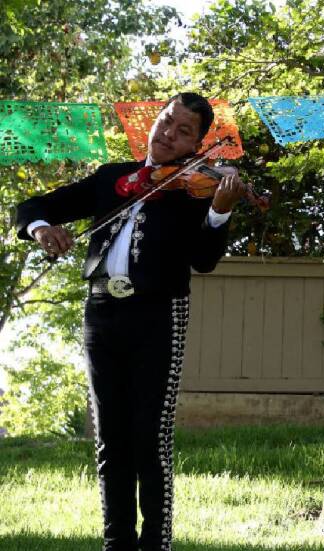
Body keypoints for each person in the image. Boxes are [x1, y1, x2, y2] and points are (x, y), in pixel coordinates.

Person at [15, 92, 245, 551]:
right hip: (101, 314)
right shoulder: (112, 178)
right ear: (153, 123)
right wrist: (42, 228)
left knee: (149, 439)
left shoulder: (196, 190)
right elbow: (33, 206)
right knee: (110, 440)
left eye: (184, 132)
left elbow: (203, 260)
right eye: (166, 122)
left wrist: (220, 210)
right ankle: (115, 543)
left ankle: (155, 543)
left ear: (198, 145)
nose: (168, 134)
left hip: (159, 313)